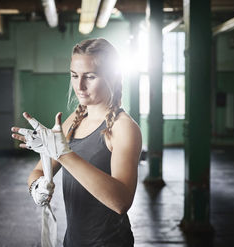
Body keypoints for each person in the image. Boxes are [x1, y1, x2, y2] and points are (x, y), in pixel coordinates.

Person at [11, 38, 142, 247]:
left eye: (90, 76)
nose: (79, 85)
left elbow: (121, 201)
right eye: (74, 75)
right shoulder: (75, 119)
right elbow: (38, 173)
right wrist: (37, 188)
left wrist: (65, 155)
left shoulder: (123, 127)